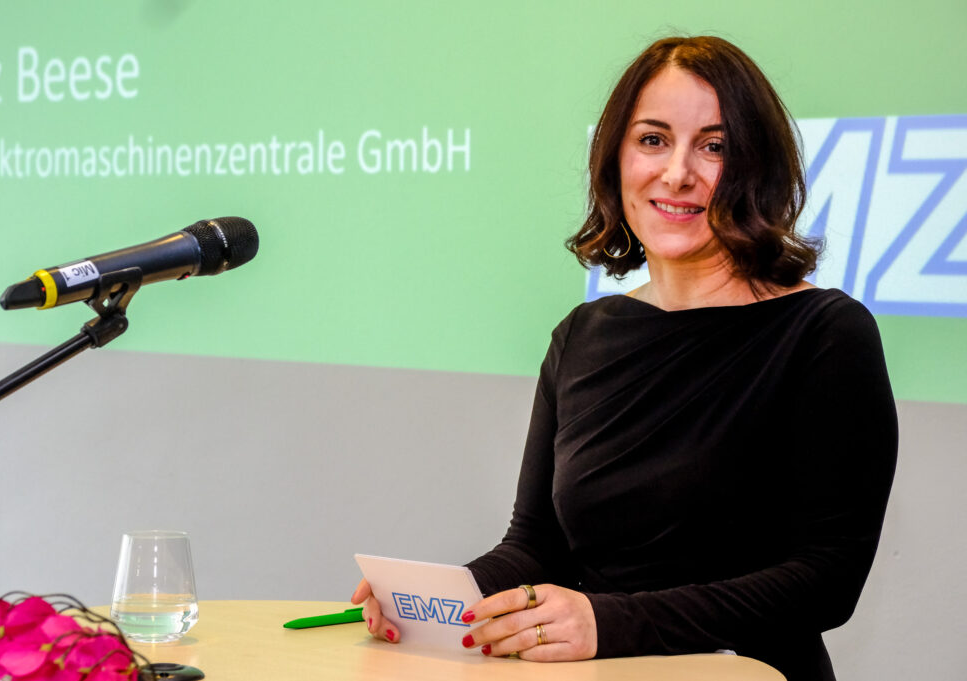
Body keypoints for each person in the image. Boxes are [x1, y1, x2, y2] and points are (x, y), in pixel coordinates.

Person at [351, 35, 897, 681]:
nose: (677, 173)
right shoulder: (581, 334)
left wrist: (609, 623)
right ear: (615, 158)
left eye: (714, 146)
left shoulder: (825, 332)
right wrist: (434, 603)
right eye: (653, 140)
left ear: (758, 166)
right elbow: (536, 546)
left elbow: (828, 579)